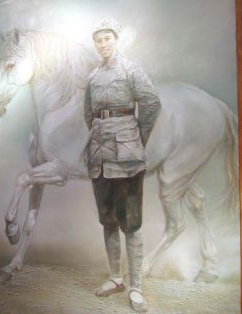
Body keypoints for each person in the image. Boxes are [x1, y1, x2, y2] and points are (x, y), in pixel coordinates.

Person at [83, 20, 161, 312]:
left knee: (131, 222)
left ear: (116, 40)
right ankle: (116, 278)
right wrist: (100, 136)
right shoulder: (92, 77)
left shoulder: (131, 70)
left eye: (107, 38)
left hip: (127, 159)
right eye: (98, 40)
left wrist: (135, 137)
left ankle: (136, 285)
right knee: (108, 220)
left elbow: (151, 103)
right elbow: (88, 114)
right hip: (99, 159)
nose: (103, 44)